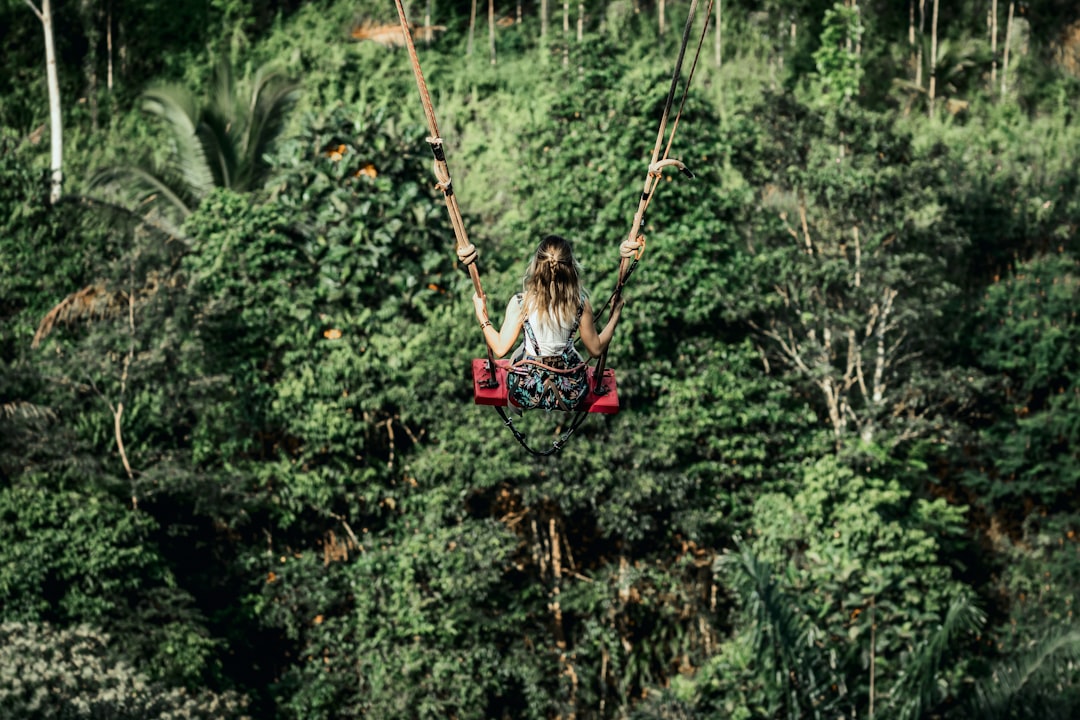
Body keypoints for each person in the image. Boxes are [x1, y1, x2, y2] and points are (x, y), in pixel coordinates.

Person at [458, 234, 639, 412]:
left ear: (536, 266)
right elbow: (596, 349)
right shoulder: (580, 304)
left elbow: (499, 348)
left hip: (526, 390)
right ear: (571, 268)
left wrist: (482, 315)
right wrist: (615, 315)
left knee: (518, 354)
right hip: (571, 392)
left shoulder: (522, 303)